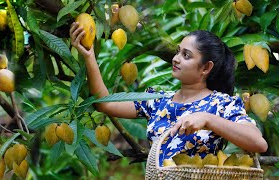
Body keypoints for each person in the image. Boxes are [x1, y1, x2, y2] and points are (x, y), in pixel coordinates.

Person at [70, 22, 268, 167]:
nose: (176, 59)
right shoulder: (157, 100)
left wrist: (208, 119)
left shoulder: (221, 103)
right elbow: (105, 105)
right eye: (177, 52)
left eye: (186, 55)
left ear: (206, 68)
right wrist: (89, 57)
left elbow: (258, 143)